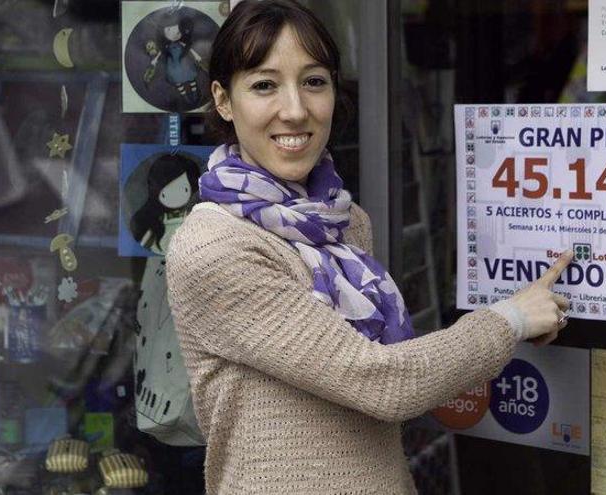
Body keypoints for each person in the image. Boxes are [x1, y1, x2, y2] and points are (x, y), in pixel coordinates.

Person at [165, 1, 571, 493]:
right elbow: (382, 382)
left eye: (314, 81)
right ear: (224, 101)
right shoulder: (216, 247)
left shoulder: (347, 221)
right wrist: (512, 319)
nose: (295, 110)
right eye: (264, 85)